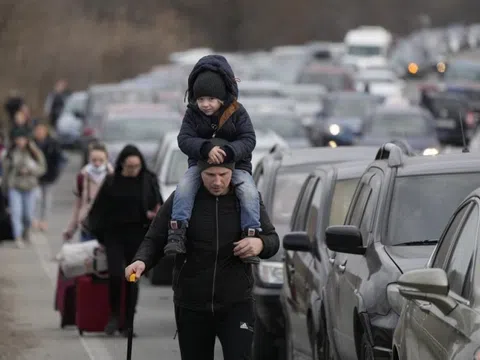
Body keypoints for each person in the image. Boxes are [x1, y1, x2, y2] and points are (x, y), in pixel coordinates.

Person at [125, 145, 280, 360]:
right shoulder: (182, 200)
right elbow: (155, 238)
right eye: (210, 175)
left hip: (236, 303)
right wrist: (141, 261)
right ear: (199, 173)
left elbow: (273, 240)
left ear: (233, 172)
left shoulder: (247, 200)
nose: (217, 182)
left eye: (223, 175)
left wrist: (259, 244)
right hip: (191, 303)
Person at [165, 54, 260, 264]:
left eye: (210, 99)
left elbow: (249, 139)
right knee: (184, 187)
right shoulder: (192, 114)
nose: (205, 105)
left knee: (249, 192)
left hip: (237, 166)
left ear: (221, 98)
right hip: (200, 166)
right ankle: (177, 231)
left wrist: (229, 152)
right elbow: (184, 139)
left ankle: (251, 234)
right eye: (200, 100)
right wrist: (205, 148)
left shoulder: (237, 112)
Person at [85, 144, 162, 336]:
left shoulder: (148, 180)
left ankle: (129, 321)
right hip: (114, 237)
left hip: (138, 237)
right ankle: (114, 315)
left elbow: (158, 205)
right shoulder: (112, 182)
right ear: (121, 164)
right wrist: (99, 234)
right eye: (129, 166)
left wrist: (154, 215)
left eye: (136, 167)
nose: (132, 171)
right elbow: (98, 210)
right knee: (116, 275)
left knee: (132, 279)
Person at [2, 127, 46, 248]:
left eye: (22, 139)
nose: (20, 141)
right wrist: (5, 188)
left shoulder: (34, 152)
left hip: (30, 187)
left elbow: (42, 168)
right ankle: (18, 236)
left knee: (28, 214)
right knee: (16, 213)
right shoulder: (10, 153)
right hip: (14, 186)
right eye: (18, 139)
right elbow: (5, 171)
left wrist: (30, 170)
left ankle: (26, 232)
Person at [63, 142, 113, 242]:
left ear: (106, 159)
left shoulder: (113, 177)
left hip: (108, 227)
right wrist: (71, 229)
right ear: (89, 159)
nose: (97, 164)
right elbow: (78, 205)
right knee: (86, 256)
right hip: (87, 226)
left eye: (101, 160)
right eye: (94, 160)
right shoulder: (82, 177)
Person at [32, 123, 66, 231]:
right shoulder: (31, 144)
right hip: (35, 177)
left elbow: (60, 160)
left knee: (46, 200)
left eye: (42, 130)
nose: (40, 132)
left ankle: (44, 221)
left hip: (49, 176)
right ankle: (35, 219)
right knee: (37, 199)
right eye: (38, 130)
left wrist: (56, 173)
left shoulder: (53, 143)